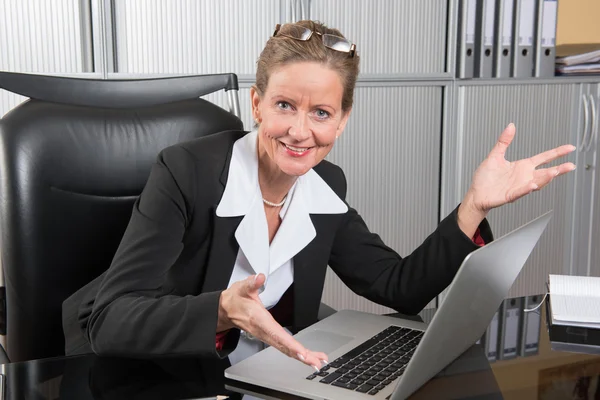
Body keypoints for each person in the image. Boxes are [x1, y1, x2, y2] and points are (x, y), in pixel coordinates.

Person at [62, 20, 576, 373]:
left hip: (262, 373)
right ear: (257, 104)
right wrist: (223, 310)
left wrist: (474, 207)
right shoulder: (186, 172)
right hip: (152, 370)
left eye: (322, 113)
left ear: (343, 119)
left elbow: (396, 287)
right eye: (285, 105)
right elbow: (112, 321)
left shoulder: (326, 186)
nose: (300, 131)